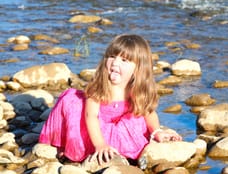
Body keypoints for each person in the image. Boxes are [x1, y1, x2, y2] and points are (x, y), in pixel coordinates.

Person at [39, 34, 182, 165]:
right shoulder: (100, 85)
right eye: (112, 57)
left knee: (137, 119)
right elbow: (91, 116)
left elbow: (148, 112)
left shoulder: (136, 89)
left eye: (124, 60)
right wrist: (100, 144)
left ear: (138, 69)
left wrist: (156, 131)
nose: (115, 63)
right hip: (93, 123)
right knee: (70, 101)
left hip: (119, 123)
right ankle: (64, 143)